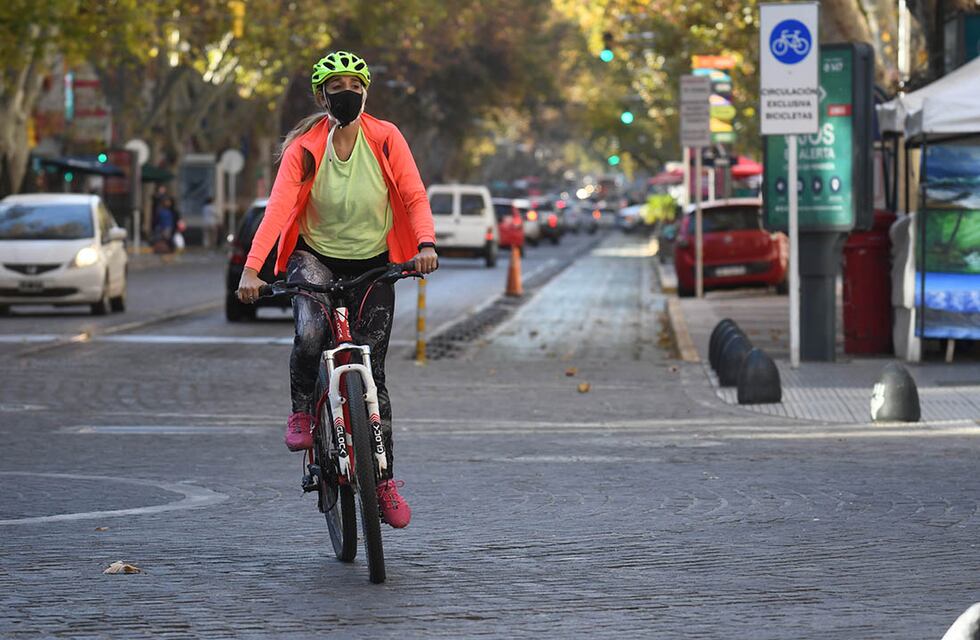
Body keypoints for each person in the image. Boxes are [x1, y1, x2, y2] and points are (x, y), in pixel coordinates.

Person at [235, 51, 437, 528]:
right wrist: (252, 271)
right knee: (309, 335)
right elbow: (279, 210)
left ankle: (383, 481)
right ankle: (303, 411)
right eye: (335, 86)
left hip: (374, 260)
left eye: (354, 84)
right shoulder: (304, 148)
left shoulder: (386, 138)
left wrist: (425, 243)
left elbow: (413, 194)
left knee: (374, 375)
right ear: (321, 95)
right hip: (315, 256)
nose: (346, 93)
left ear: (365, 92)